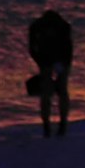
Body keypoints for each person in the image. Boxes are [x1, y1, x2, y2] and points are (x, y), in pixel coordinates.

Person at [26, 7, 76, 137]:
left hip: (56, 60)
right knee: (55, 92)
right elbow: (69, 49)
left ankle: (53, 126)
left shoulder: (60, 26)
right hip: (48, 60)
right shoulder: (40, 27)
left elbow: (67, 49)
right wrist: (41, 62)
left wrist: (62, 65)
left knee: (52, 93)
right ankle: (55, 125)